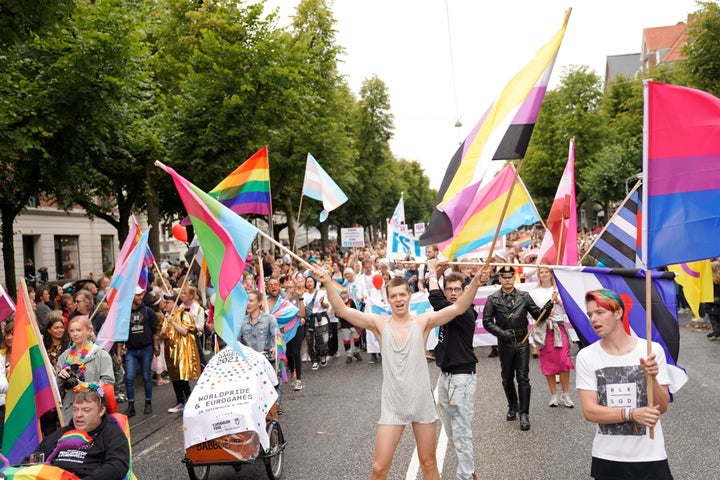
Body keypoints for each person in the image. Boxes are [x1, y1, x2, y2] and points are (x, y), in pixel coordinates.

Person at [312, 265, 485, 480]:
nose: (399, 299)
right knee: (379, 468)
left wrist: (476, 283)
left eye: (402, 294)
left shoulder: (423, 322)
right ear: (388, 299)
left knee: (429, 463)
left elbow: (459, 307)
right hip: (393, 405)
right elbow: (343, 311)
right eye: (393, 296)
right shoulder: (378, 324)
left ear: (409, 296)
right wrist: (327, 282)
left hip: (422, 402)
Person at [577, 289, 673, 480]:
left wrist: (651, 377)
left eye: (600, 312)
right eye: (590, 314)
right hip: (607, 456)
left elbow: (661, 407)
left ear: (618, 313)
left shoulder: (651, 350)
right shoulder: (586, 356)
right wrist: (631, 414)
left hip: (650, 456)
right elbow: (590, 411)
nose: (594, 319)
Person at [482, 265, 553, 431]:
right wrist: (501, 333)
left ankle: (524, 414)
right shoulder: (493, 299)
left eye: (510, 277)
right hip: (505, 343)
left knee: (523, 377)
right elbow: (487, 321)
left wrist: (546, 310)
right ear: (499, 279)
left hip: (522, 341)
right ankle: (512, 406)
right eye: (504, 277)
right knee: (507, 377)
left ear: (514, 278)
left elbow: (538, 317)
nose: (507, 280)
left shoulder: (524, 296)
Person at [426, 260, 478, 480]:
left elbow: (434, 297)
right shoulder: (446, 310)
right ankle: (470, 472)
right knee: (450, 432)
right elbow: (436, 294)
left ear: (464, 291)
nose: (454, 293)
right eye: (450, 289)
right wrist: (437, 271)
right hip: (445, 378)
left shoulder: (465, 313)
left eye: (458, 289)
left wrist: (431, 271)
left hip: (462, 379)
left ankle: (465, 476)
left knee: (461, 434)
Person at [32, 383, 129, 479]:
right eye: (75, 409)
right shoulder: (62, 434)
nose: (78, 415)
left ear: (101, 411)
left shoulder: (112, 435)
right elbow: (33, 459)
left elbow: (117, 466)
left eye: (86, 410)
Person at [529, 267, 575, 408]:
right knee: (548, 362)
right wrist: (545, 313)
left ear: (551, 274)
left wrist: (561, 303)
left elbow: (571, 309)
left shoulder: (559, 290)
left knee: (563, 360)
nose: (544, 274)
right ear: (538, 275)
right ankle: (554, 395)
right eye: (541, 272)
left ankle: (566, 394)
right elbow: (532, 313)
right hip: (544, 330)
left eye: (546, 272)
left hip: (558, 328)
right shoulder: (533, 293)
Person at [57, 315, 114, 422]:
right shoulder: (64, 356)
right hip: (71, 410)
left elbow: (108, 383)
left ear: (89, 331)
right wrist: (60, 376)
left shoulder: (100, 355)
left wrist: (86, 386)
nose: (75, 334)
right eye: (71, 331)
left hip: (94, 409)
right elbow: (56, 389)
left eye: (79, 330)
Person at [117, 286, 159, 417]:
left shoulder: (148, 312)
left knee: (146, 376)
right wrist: (118, 354)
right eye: (137, 295)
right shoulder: (124, 313)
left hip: (146, 349)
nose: (140, 297)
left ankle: (148, 402)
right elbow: (120, 335)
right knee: (129, 378)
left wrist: (156, 347)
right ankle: (131, 406)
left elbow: (155, 331)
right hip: (131, 351)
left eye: (141, 295)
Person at [159, 292, 201, 414]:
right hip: (171, 352)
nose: (165, 304)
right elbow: (161, 337)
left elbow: (184, 332)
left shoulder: (185, 315)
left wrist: (172, 322)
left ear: (174, 303)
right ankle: (181, 401)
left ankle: (188, 400)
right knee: (175, 377)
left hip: (183, 351)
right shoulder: (165, 317)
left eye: (168, 302)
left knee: (183, 377)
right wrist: (162, 333)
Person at [239, 290, 278, 356]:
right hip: (248, 360)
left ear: (259, 302)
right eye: (246, 300)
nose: (248, 303)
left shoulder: (270, 319)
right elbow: (237, 341)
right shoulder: (241, 321)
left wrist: (275, 348)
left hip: (266, 360)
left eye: (251, 301)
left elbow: (277, 337)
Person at [303, 276, 330, 370]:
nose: (309, 283)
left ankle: (323, 356)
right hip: (309, 320)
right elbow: (303, 308)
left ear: (314, 283)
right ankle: (314, 360)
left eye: (311, 281)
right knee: (310, 342)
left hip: (320, 320)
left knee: (321, 342)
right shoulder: (304, 295)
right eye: (307, 282)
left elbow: (326, 305)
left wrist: (322, 303)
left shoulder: (321, 293)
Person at [337, 288, 363, 364]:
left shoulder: (351, 301)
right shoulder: (338, 303)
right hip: (344, 325)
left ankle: (356, 352)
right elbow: (336, 314)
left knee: (357, 338)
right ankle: (349, 355)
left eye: (345, 293)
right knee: (346, 340)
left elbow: (355, 311)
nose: (343, 295)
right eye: (342, 294)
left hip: (353, 323)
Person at [0, 318, 12, 444]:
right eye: (7, 334)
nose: (9, 337)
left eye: (13, 334)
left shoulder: (24, 356)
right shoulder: (1, 354)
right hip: (3, 402)